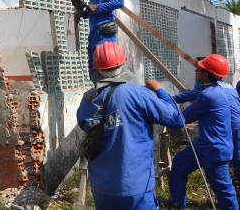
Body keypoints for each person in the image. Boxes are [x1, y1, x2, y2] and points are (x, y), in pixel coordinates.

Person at [76, 42, 184, 209]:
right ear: (122, 64)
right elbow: (176, 120)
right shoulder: (138, 94)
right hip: (135, 185)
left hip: (102, 187)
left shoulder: (87, 100)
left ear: (96, 68)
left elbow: (85, 126)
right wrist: (160, 90)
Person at [148, 54, 238, 210]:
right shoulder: (212, 90)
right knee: (180, 164)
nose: (196, 71)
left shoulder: (209, 95)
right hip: (204, 146)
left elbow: (179, 121)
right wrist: (170, 99)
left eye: (199, 69)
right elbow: (187, 97)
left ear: (206, 74)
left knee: (224, 191)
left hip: (214, 150)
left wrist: (160, 90)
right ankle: (178, 204)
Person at [173, 79, 240, 209]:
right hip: (236, 128)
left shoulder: (210, 90)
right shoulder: (225, 85)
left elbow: (191, 96)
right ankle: (178, 204)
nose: (196, 74)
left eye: (199, 70)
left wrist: (169, 98)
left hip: (236, 129)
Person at [80, 0, 125, 78]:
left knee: (105, 66)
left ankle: (107, 95)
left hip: (104, 31)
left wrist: (97, 7)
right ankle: (97, 94)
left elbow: (119, 1)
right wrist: (84, 13)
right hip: (94, 31)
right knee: (94, 67)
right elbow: (93, 8)